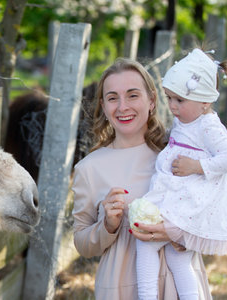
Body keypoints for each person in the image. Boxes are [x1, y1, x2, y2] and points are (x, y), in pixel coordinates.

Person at [71, 57, 212, 299]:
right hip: (122, 288)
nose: (122, 106)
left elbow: (212, 215)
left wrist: (179, 233)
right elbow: (82, 244)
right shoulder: (89, 168)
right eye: (113, 98)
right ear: (103, 107)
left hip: (182, 286)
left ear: (152, 100)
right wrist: (107, 226)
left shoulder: (179, 153)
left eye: (133, 95)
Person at [132, 48, 227, 300]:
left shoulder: (209, 126)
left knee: (146, 243)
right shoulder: (186, 120)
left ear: (205, 102)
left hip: (188, 206)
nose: (172, 106)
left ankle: (147, 296)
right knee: (175, 257)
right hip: (174, 199)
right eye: (169, 98)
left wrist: (196, 166)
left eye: (179, 101)